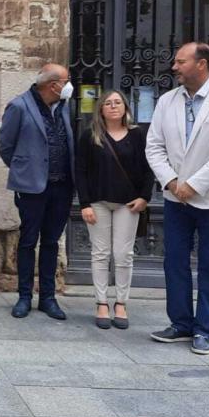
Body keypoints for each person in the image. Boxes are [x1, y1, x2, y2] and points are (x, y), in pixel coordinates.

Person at [146, 42, 209, 356]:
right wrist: (173, 181)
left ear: (201, 64)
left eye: (180, 61)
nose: (174, 67)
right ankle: (180, 324)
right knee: (174, 262)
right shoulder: (166, 101)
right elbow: (154, 146)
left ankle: (205, 329)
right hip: (177, 198)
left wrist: (195, 184)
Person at [0, 63, 74, 321]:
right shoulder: (19, 106)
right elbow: (6, 147)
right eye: (66, 80)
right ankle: (24, 296)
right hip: (32, 187)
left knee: (52, 242)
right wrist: (25, 171)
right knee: (28, 241)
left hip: (62, 186)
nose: (69, 84)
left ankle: (48, 298)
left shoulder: (64, 106)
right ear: (54, 85)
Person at [75, 90, 153, 330]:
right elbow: (81, 171)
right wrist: (84, 204)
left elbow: (149, 166)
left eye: (117, 102)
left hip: (128, 203)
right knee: (100, 254)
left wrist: (144, 197)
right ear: (101, 109)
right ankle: (101, 303)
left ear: (125, 107)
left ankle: (121, 302)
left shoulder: (137, 135)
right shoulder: (90, 135)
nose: (113, 106)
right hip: (98, 202)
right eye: (108, 103)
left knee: (123, 255)